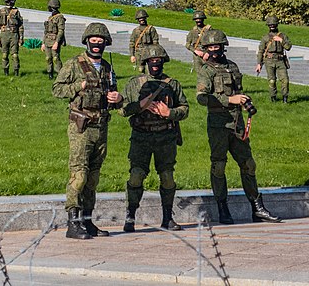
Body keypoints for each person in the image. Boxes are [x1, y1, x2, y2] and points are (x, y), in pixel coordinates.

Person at [196, 28, 281, 225]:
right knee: (219, 166)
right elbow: (201, 97)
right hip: (218, 125)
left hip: (237, 123)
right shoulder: (206, 71)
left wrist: (242, 101)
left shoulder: (232, 67)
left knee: (248, 164)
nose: (214, 50)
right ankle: (222, 208)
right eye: (210, 47)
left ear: (223, 46)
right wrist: (229, 99)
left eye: (217, 46)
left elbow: (237, 91)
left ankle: (257, 207)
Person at [53, 22, 122, 239]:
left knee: (93, 177)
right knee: (79, 174)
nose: (97, 44)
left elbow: (113, 95)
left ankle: (87, 220)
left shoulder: (109, 69)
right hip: (80, 126)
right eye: (93, 40)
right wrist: (78, 86)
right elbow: (57, 89)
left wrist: (117, 98)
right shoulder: (75, 64)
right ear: (87, 41)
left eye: (101, 41)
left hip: (101, 126)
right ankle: (72, 223)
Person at [120, 44, 189, 232]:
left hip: (165, 137)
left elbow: (185, 108)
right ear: (146, 62)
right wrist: (140, 105)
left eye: (158, 61)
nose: (155, 64)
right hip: (141, 137)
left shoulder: (172, 84)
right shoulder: (135, 83)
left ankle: (167, 217)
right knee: (136, 176)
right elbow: (122, 109)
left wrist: (170, 112)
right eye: (151, 61)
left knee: (167, 177)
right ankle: (130, 215)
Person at [255, 17, 293, 103]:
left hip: (280, 61)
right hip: (269, 61)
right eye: (270, 25)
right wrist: (259, 64)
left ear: (276, 24)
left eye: (273, 24)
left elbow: (288, 47)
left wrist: (281, 41)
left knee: (285, 80)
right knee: (272, 80)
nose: (272, 26)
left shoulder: (282, 36)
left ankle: (285, 98)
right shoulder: (265, 37)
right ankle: (273, 97)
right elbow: (261, 51)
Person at [0, 0, 24, 76]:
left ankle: (16, 71)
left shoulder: (16, 12)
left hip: (14, 35)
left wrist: (21, 37)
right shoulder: (1, 12)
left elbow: (20, 26)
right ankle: (6, 71)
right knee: (4, 55)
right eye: (12, 0)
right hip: (4, 35)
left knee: (15, 55)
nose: (13, 2)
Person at [42, 0, 66, 79]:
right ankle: (50, 74)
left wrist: (57, 42)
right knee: (48, 58)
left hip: (55, 41)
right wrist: (43, 43)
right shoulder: (50, 18)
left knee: (55, 58)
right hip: (47, 40)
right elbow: (46, 32)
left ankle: (60, 75)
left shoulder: (60, 17)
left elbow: (61, 31)